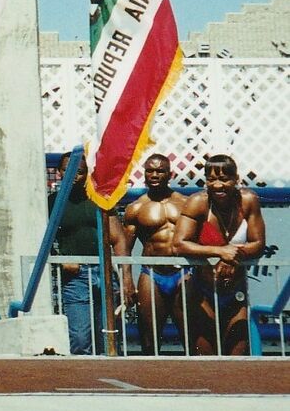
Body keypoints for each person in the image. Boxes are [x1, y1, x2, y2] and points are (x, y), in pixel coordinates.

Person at [174, 154, 266, 356]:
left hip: (235, 291)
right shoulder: (197, 202)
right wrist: (219, 251)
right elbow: (179, 244)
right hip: (203, 292)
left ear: (236, 179)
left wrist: (234, 254)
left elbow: (259, 243)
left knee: (238, 358)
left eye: (224, 179)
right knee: (207, 362)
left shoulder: (248, 201)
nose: (218, 185)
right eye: (211, 179)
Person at [113, 153, 194, 354]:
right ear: (145, 174)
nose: (155, 175)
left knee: (192, 337)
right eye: (150, 170)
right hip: (152, 274)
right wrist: (126, 281)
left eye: (160, 171)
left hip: (184, 273)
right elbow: (125, 248)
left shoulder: (186, 203)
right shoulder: (136, 208)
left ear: (170, 174)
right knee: (149, 341)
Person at [48, 151, 105, 354]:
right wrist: (61, 258)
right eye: (67, 170)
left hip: (104, 272)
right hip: (76, 275)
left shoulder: (98, 200)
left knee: (107, 335)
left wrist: (122, 274)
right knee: (80, 338)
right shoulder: (52, 203)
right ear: (59, 172)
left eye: (79, 172)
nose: (73, 175)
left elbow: (117, 237)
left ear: (86, 173)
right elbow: (42, 238)